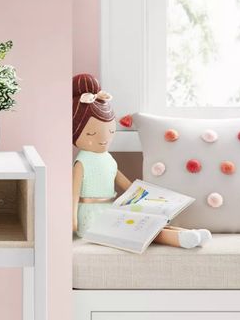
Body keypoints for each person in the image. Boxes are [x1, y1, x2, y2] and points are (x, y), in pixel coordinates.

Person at [72, 73, 210, 248]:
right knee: (140, 229)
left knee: (148, 220)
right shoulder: (82, 162)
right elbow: (73, 194)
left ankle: (188, 233)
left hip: (111, 210)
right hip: (90, 218)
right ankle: (180, 239)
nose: (104, 139)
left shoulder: (108, 160)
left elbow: (129, 187)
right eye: (92, 134)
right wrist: (73, 220)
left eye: (111, 132)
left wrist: (149, 199)